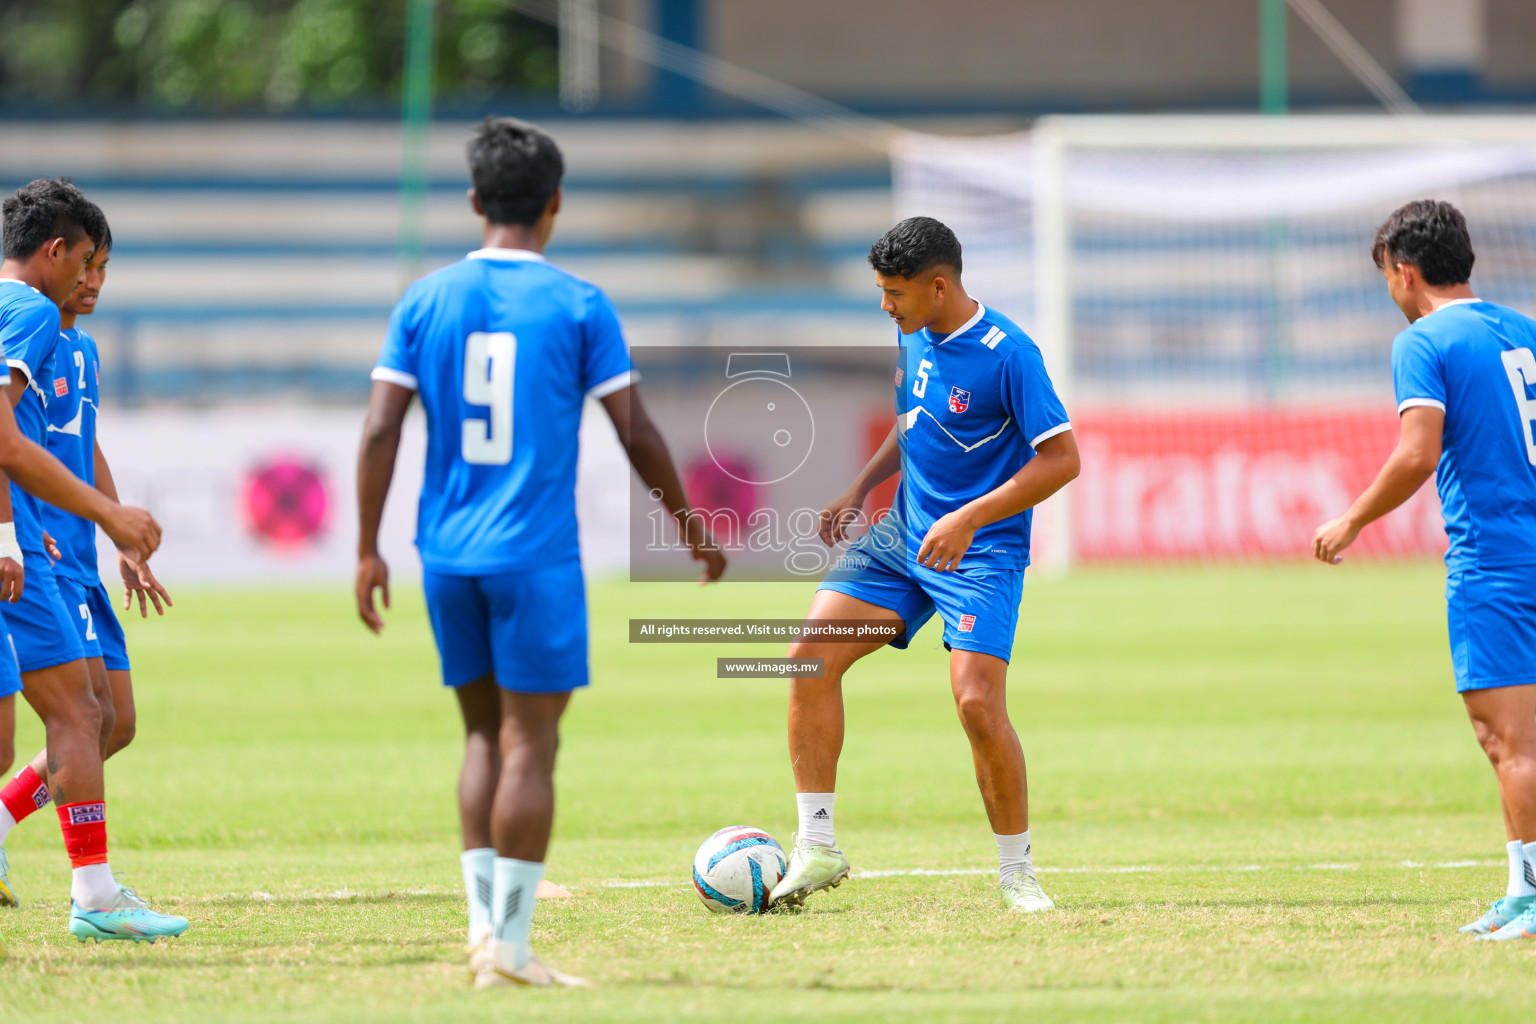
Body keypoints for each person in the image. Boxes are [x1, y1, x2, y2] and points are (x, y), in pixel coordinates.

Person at [356, 117, 724, 988]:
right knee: (532, 746)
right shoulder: (579, 303)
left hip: (445, 554)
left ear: (477, 201)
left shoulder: (424, 299)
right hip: (535, 555)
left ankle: (487, 936)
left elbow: (379, 426)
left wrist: (368, 549)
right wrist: (686, 524)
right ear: (555, 203)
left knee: (481, 737)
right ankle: (509, 953)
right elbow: (634, 430)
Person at [770, 217, 1080, 914]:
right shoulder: (912, 333)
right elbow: (915, 421)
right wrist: (858, 487)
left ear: (938, 287)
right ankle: (816, 845)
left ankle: (1017, 874)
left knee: (976, 705)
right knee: (808, 658)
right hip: (902, 538)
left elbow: (1063, 461)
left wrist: (969, 517)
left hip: (980, 550)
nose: (886, 306)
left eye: (895, 294)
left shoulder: (1011, 355)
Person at [1314, 199, 1536, 943]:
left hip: (1495, 561)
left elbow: (1416, 453)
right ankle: (1520, 890)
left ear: (1404, 272)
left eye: (1387, 278)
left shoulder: (1426, 339)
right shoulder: (1523, 329)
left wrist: (1351, 519)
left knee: (1509, 740)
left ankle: (1532, 898)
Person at [0, 180, 184, 941]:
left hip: (64, 550)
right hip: (33, 546)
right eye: (87, 262)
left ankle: (85, 884)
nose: (92, 280)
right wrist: (12, 532)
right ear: (56, 251)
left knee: (108, 719)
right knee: (75, 716)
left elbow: (78, 437)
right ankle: (95, 895)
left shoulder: (71, 340)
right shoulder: (29, 313)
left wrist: (115, 534)